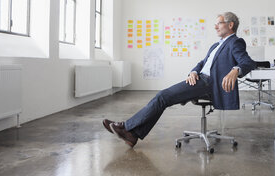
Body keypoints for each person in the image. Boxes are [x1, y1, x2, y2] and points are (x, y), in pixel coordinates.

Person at [103, 12, 256, 148]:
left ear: (230, 25)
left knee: (163, 96)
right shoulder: (216, 45)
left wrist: (235, 70)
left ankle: (126, 127)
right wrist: (194, 71)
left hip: (209, 83)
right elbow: (202, 63)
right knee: (164, 99)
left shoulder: (235, 42)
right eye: (215, 24)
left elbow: (248, 62)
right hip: (199, 79)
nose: (215, 27)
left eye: (219, 23)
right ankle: (132, 135)